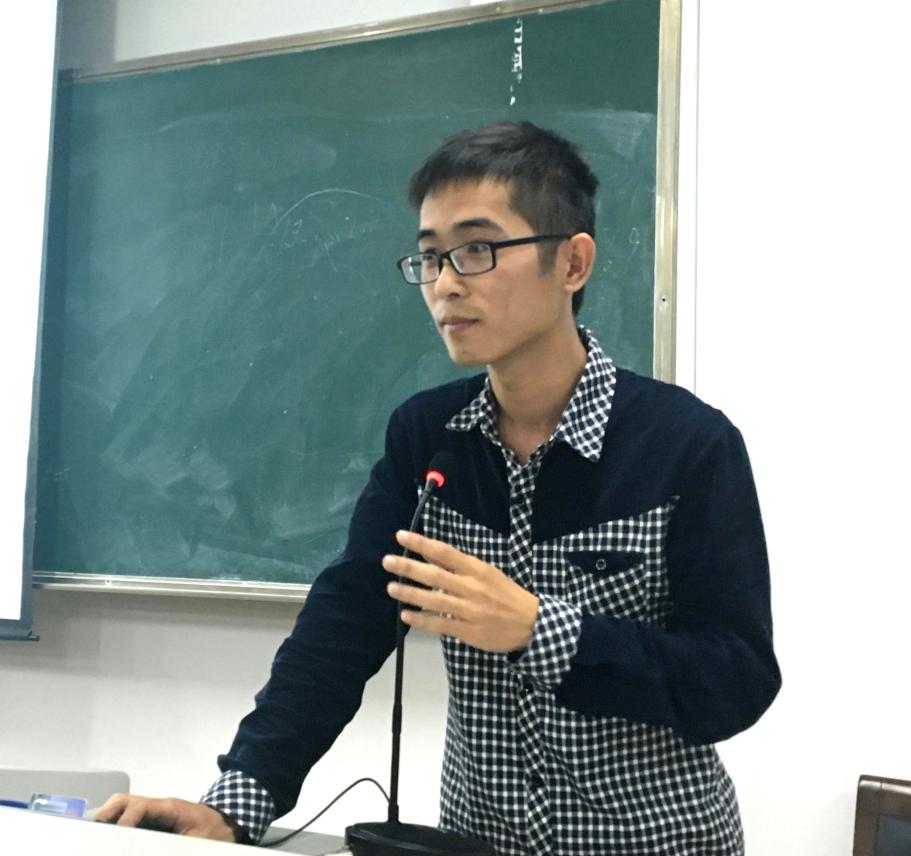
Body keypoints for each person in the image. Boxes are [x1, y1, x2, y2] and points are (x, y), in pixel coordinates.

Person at [98, 121, 781, 855]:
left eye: (477, 249)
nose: (447, 284)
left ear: (572, 262)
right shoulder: (429, 438)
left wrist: (538, 631)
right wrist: (237, 804)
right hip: (473, 842)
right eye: (429, 257)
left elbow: (736, 679)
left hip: (658, 844)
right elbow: (346, 623)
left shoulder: (687, 445)